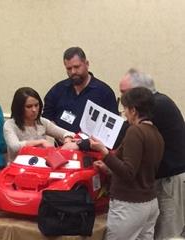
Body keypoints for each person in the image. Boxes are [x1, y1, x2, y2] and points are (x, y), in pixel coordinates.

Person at [91, 87, 164, 240]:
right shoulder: (156, 132)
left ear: (133, 110)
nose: (124, 114)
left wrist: (104, 153)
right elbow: (141, 168)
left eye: (125, 109)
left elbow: (128, 172)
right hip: (150, 203)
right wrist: (109, 167)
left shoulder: (135, 131)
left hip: (129, 205)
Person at [119, 69, 185, 239]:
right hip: (165, 178)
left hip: (170, 180)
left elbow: (130, 134)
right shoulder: (161, 102)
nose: (124, 102)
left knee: (169, 233)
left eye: (126, 93)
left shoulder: (156, 106)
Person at [43, 47, 118, 133]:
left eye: (77, 67)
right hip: (62, 143)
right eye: (69, 68)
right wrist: (61, 135)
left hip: (92, 145)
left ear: (86, 64)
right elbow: (46, 120)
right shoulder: (57, 90)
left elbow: (112, 126)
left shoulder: (104, 92)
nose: (73, 71)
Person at [4, 87, 75, 161]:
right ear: (19, 108)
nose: (34, 110)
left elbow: (68, 133)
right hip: (17, 167)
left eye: (36, 105)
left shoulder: (42, 122)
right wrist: (41, 142)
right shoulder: (10, 124)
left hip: (41, 165)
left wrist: (67, 139)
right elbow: (14, 147)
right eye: (29, 106)